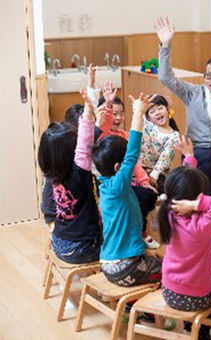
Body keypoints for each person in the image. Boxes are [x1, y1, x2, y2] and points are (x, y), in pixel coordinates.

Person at [155, 16, 211, 224]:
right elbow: (165, 77)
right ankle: (208, 202)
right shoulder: (193, 93)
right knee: (204, 158)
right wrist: (165, 45)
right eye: (208, 76)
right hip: (196, 146)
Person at [158, 136, 211, 340]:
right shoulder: (201, 225)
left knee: (210, 283)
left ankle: (192, 327)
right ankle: (202, 331)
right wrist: (197, 206)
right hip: (195, 297)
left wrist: (189, 158)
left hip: (168, 291)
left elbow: (183, 184)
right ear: (197, 197)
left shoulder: (168, 213)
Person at [92, 93, 162, 286]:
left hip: (108, 263)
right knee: (170, 272)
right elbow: (132, 151)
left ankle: (129, 308)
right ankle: (146, 313)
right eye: (125, 165)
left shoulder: (103, 181)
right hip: (125, 267)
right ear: (118, 168)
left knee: (156, 258)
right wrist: (138, 113)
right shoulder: (118, 186)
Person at [37, 89, 102, 264]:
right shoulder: (78, 173)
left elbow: (88, 139)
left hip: (59, 242)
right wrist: (88, 112)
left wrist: (93, 111)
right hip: (82, 248)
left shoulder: (53, 172)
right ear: (70, 150)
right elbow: (85, 144)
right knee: (120, 236)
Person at [140, 94, 180, 191]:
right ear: (148, 117)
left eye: (160, 108)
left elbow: (165, 157)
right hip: (138, 167)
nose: (157, 113)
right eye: (152, 111)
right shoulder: (149, 125)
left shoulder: (174, 136)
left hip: (155, 172)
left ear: (167, 109)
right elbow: (140, 113)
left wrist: (154, 174)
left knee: (164, 191)